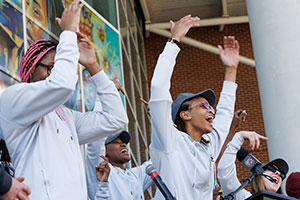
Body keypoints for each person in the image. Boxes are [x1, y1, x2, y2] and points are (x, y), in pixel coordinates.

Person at [0, 1, 128, 199]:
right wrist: (68, 33)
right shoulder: (13, 97)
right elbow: (62, 85)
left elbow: (116, 120)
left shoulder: (65, 116)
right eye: (50, 68)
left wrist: (93, 66)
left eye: (57, 68)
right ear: (32, 68)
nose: (55, 74)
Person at [149, 14, 240, 199]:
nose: (211, 110)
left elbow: (224, 113)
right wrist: (174, 40)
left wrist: (231, 70)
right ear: (185, 115)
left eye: (210, 107)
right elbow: (159, 88)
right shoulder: (169, 140)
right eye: (204, 105)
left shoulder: (209, 146)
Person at [218, 131, 289, 199]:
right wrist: (239, 137)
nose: (278, 173)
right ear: (259, 173)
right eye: (272, 169)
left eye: (282, 176)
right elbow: (225, 172)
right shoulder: (244, 197)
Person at [86, 130, 153, 200]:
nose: (124, 145)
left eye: (124, 143)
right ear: (104, 150)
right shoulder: (102, 170)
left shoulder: (135, 175)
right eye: (116, 142)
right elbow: (96, 139)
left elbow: (159, 158)